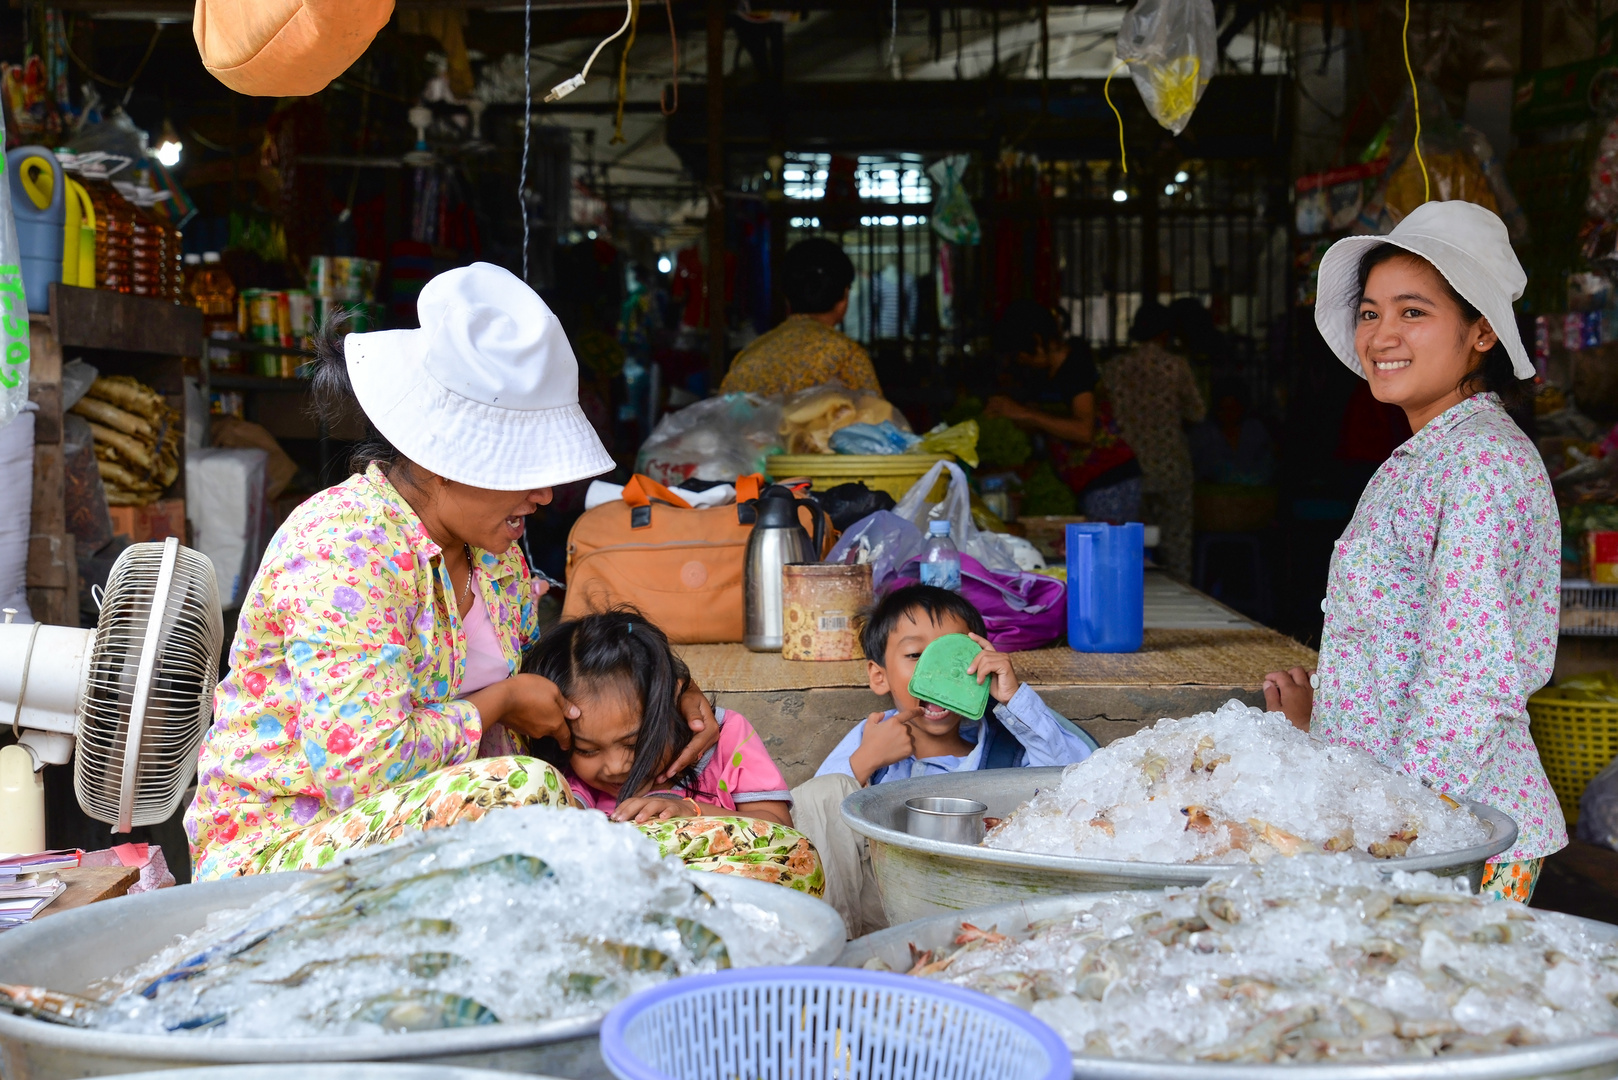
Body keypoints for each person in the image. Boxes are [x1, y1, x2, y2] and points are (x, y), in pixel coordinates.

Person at [185, 263, 724, 881]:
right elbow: (362, 771)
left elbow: (560, 676)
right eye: (523, 468)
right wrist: (499, 703)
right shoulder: (342, 549)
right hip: (287, 852)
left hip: (455, 840)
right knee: (520, 787)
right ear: (443, 461)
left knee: (772, 856)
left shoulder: (496, 547)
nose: (545, 494)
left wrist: (663, 686)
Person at [1263, 200, 1567, 903]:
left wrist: (1397, 838)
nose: (1381, 335)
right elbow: (1397, 644)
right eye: (1370, 313)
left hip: (1457, 836)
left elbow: (1467, 682)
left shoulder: (1480, 464)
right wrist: (1328, 726)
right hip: (1407, 821)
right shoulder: (1432, 453)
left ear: (1482, 331)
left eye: (1413, 312)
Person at [790, 585, 1096, 936]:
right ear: (879, 676)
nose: (939, 674)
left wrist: (1013, 700)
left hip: (980, 905)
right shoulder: (871, 736)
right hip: (880, 907)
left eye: (954, 657)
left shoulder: (1006, 747)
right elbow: (819, 822)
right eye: (916, 655)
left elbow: (1082, 781)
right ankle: (827, 947)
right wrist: (865, 761)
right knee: (821, 793)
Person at [523, 609, 822, 895]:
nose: (615, 765)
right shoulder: (570, 782)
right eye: (588, 750)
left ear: (673, 706)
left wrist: (692, 814)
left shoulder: (728, 738)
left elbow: (781, 831)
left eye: (633, 744)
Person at [985, 299, 1142, 522]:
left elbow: (1083, 431)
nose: (1021, 360)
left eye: (1022, 353)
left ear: (1038, 341)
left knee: (1105, 552)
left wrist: (1026, 414)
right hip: (1085, 484)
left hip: (1110, 481)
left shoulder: (1076, 367)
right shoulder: (1045, 375)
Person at [1101, 302, 1207, 580]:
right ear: (1164, 333)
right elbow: (1198, 412)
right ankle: (1184, 598)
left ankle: (1132, 596)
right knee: (1177, 545)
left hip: (1128, 467)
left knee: (1129, 545)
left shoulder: (1114, 369)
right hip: (1171, 466)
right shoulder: (1175, 366)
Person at [719, 238, 881, 396]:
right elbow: (877, 416)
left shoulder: (749, 355)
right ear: (845, 296)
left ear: (786, 297)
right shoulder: (848, 356)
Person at [1189, 379, 1275, 487]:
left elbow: (1267, 465)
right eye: (1223, 409)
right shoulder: (1203, 433)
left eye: (1233, 409)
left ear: (1242, 408)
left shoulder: (1255, 430)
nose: (1228, 414)